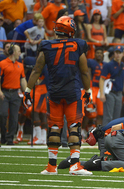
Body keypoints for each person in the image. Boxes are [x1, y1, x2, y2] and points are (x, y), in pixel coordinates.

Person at [24, 16, 92, 175]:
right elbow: (84, 71)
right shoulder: (78, 45)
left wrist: (27, 91)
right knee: (74, 127)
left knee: (54, 128)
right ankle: (75, 166)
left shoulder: (46, 45)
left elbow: (36, 70)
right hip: (72, 92)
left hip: (54, 92)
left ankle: (51, 167)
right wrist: (88, 91)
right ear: (70, 30)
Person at [99, 45, 124, 153]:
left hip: (119, 93)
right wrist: (102, 94)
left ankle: (113, 140)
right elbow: (102, 79)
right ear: (114, 53)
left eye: (119, 52)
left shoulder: (123, 66)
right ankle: (103, 140)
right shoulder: (108, 65)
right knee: (108, 117)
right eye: (116, 52)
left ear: (122, 54)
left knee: (117, 118)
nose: (117, 54)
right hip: (110, 93)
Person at [0, 44, 27, 145]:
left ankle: (10, 138)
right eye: (19, 51)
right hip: (5, 92)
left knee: (14, 117)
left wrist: (27, 92)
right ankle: (3, 135)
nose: (20, 53)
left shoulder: (20, 65)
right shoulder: (2, 64)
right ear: (13, 52)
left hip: (16, 93)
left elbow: (23, 79)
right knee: (3, 114)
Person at [87, 47, 105, 126]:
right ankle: (85, 128)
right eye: (97, 53)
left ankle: (98, 129)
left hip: (101, 89)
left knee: (101, 112)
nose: (99, 55)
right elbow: (88, 74)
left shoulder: (105, 65)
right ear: (94, 54)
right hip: (92, 88)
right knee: (90, 111)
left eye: (100, 53)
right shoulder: (91, 62)